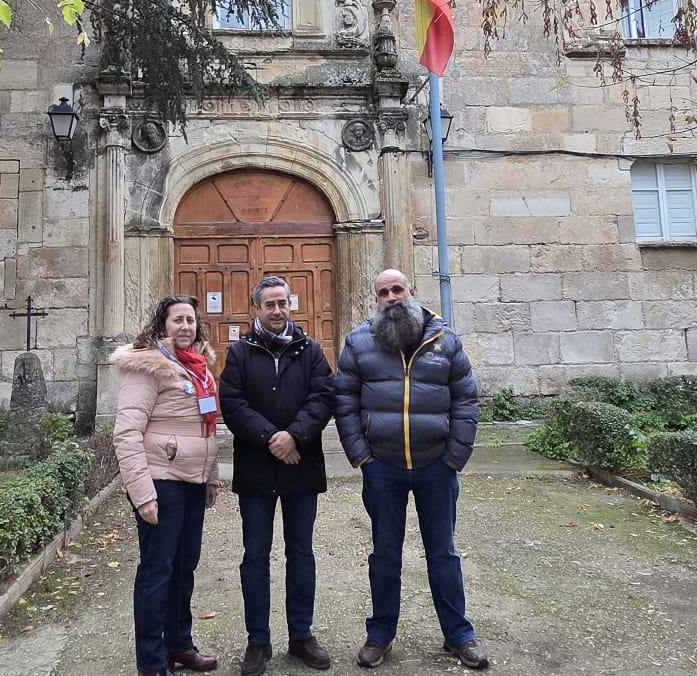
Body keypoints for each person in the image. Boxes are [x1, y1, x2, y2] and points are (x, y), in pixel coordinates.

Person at [334, 269, 487, 670]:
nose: (391, 297)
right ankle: (380, 635)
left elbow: (466, 399)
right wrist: (362, 457)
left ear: (411, 292)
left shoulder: (444, 340)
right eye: (383, 292)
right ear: (377, 299)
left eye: (397, 289)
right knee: (385, 555)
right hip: (382, 468)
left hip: (436, 466)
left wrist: (455, 456)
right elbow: (344, 402)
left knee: (443, 553)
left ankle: (459, 635)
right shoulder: (359, 341)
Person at [220, 277, 337, 675]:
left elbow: (323, 397)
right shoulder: (240, 352)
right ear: (257, 308)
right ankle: (258, 641)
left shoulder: (310, 350)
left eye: (282, 303)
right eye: (269, 304)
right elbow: (232, 403)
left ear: (291, 304)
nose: (277, 310)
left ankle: (301, 636)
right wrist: (273, 437)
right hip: (256, 468)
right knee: (255, 555)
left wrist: (295, 436)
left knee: (301, 553)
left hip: (300, 465)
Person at [112, 294, 223, 676]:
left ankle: (179, 645)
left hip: (193, 482)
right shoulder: (148, 366)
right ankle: (151, 661)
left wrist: (211, 477)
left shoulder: (199, 366)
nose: (185, 327)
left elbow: (206, 428)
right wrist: (142, 494)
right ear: (162, 325)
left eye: (190, 320)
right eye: (178, 320)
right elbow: (126, 433)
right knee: (157, 572)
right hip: (162, 482)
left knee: (184, 568)